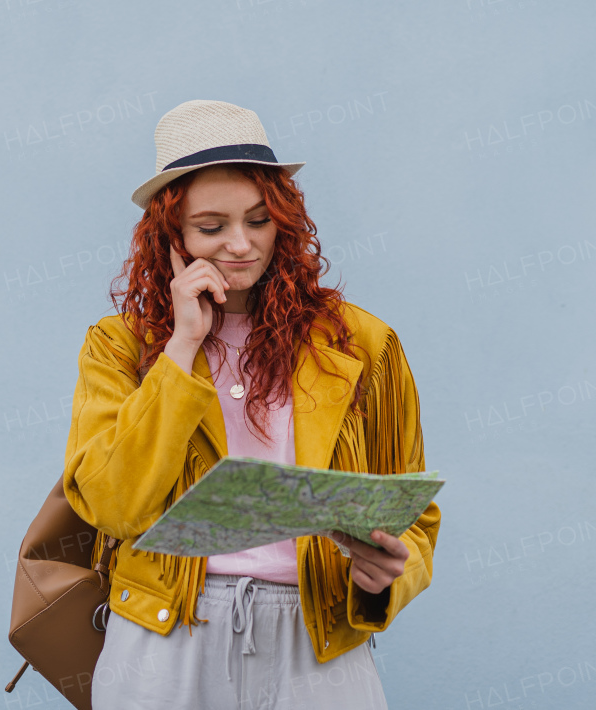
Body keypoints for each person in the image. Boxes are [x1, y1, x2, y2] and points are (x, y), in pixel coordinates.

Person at [61, 99, 440, 710]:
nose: (240, 244)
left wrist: (388, 576)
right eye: (211, 227)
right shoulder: (121, 344)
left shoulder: (365, 344)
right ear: (173, 236)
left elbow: (413, 518)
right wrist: (181, 346)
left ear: (283, 221)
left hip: (317, 636)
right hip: (165, 633)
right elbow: (112, 504)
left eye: (259, 220)